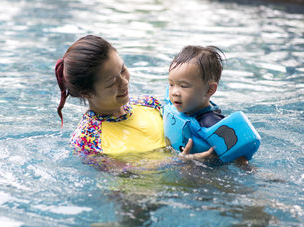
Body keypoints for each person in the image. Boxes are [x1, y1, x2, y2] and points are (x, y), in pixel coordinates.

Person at [55, 35, 213, 161]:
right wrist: (179, 163)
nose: (124, 82)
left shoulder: (149, 104)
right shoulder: (87, 140)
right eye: (112, 82)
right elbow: (124, 176)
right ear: (86, 92)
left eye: (122, 70)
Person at [167, 45, 248, 164]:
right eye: (171, 84)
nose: (174, 92)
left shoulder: (213, 125)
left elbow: (242, 161)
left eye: (183, 86)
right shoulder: (181, 108)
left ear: (209, 90)